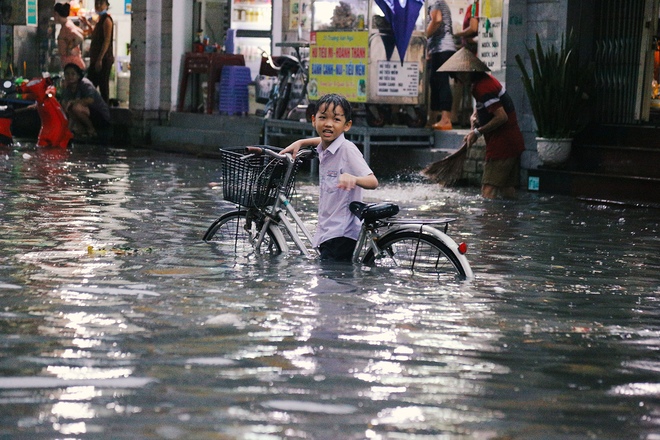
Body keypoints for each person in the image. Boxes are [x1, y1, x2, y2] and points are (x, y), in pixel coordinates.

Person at [282, 94, 379, 262]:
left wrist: (354, 179)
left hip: (341, 233)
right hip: (328, 231)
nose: (328, 124)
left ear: (347, 125)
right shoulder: (324, 148)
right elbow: (324, 138)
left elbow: (373, 181)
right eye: (323, 118)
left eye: (336, 119)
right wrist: (302, 142)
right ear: (313, 120)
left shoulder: (347, 150)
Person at [438, 48, 525, 199]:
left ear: (466, 73)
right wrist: (475, 115)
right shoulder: (482, 83)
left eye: (457, 76)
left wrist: (477, 132)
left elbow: (501, 117)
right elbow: (485, 106)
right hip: (510, 142)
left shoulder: (483, 87)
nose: (457, 81)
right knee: (506, 190)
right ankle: (508, 221)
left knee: (488, 190)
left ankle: (488, 222)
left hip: (503, 144)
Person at [60, 63, 111, 141]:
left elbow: (90, 100)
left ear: (78, 76)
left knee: (76, 107)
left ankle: (91, 130)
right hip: (85, 114)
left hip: (100, 116)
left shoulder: (85, 84)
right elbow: (64, 104)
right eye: (67, 74)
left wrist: (73, 102)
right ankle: (79, 130)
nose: (70, 76)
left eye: (73, 74)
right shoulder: (68, 87)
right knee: (68, 106)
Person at [426, 0, 456, 130]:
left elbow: (437, 20)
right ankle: (433, 118)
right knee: (435, 81)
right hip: (440, 49)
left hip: (443, 48)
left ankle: (445, 119)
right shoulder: (439, 2)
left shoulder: (435, 2)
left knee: (442, 82)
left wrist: (424, 35)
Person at [80, 0, 114, 103]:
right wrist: (87, 24)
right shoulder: (100, 20)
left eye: (101, 3)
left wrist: (100, 59)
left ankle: (105, 109)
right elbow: (95, 34)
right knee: (91, 84)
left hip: (103, 59)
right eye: (96, 4)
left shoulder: (107, 20)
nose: (98, 6)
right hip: (96, 58)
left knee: (102, 85)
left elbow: (107, 41)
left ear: (106, 5)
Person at [54, 2, 86, 71]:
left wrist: (70, 48)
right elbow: (81, 31)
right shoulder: (68, 23)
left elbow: (79, 37)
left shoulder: (67, 27)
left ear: (56, 14)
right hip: (70, 64)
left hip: (72, 65)